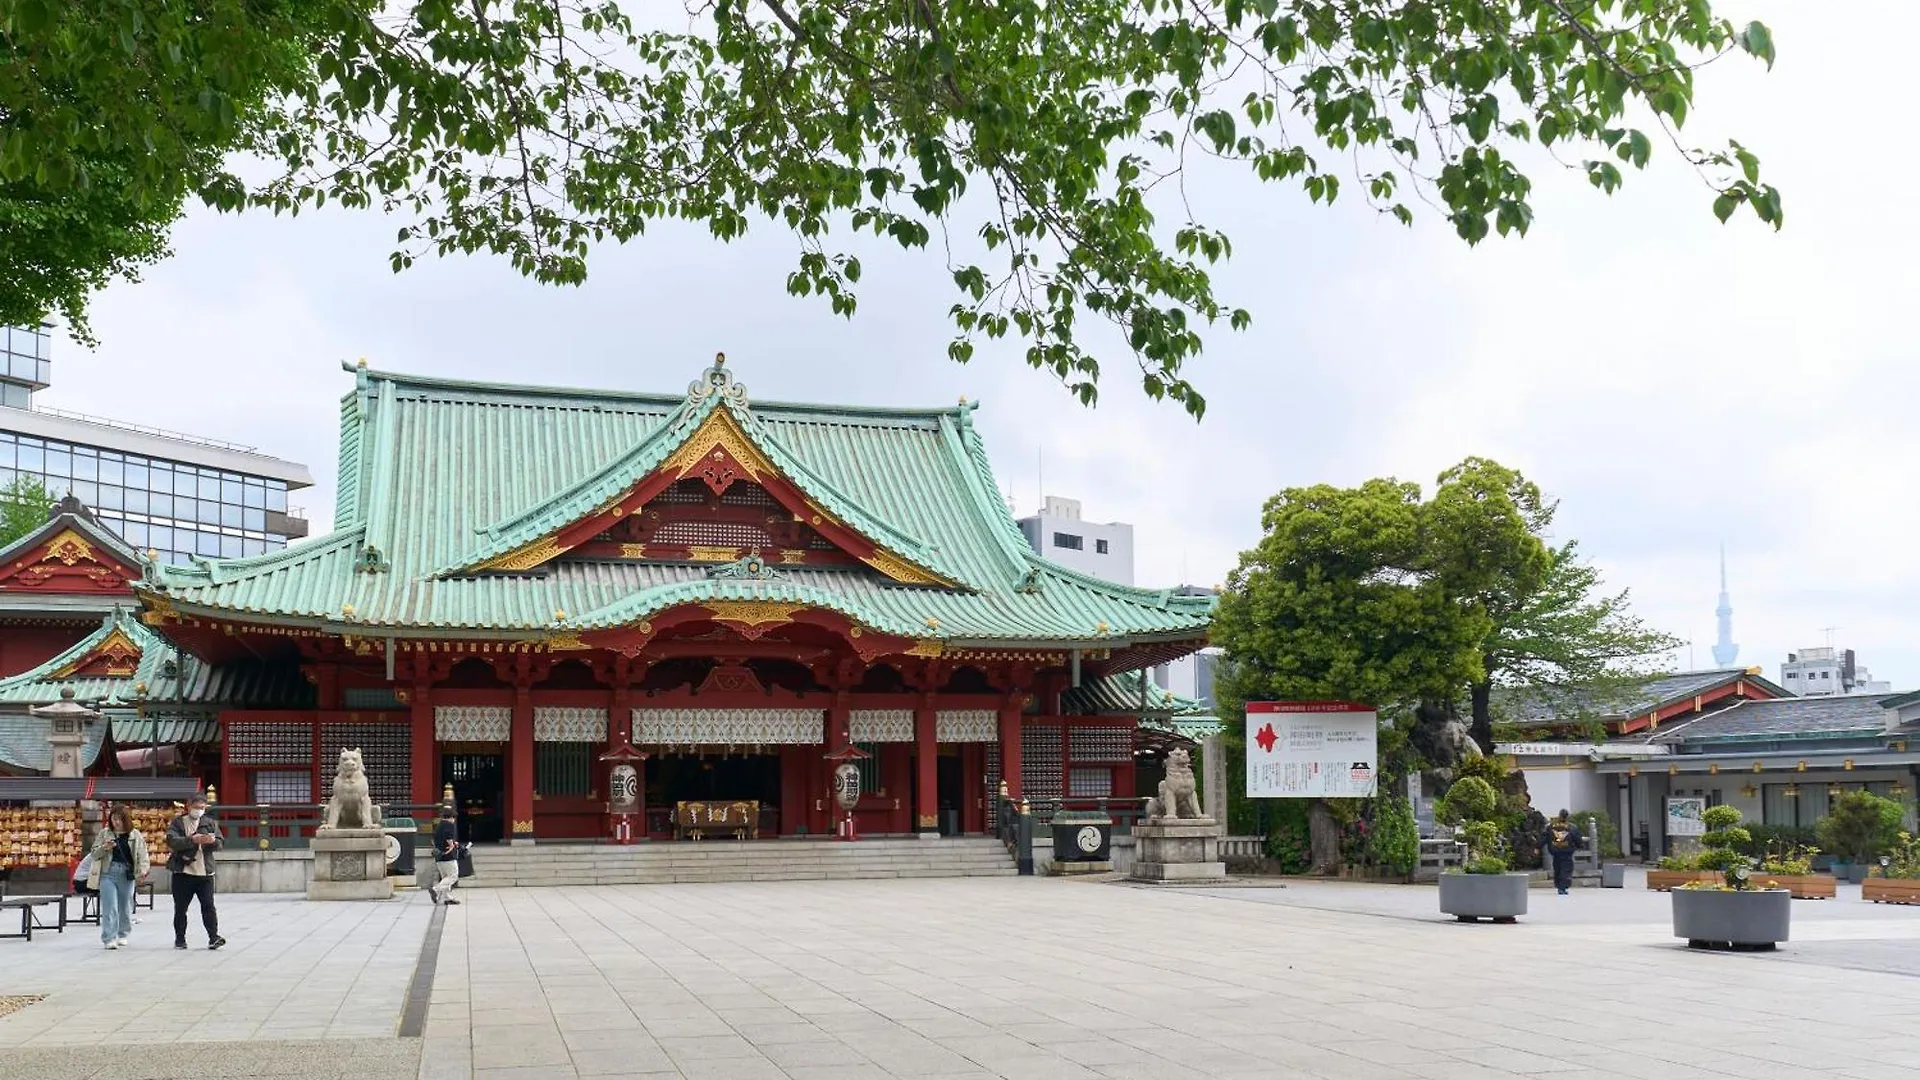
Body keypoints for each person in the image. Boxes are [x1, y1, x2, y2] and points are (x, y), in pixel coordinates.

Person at [166, 793, 226, 950]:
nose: (199, 810)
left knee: (208, 906)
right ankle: (180, 938)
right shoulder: (178, 823)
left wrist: (211, 841)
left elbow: (220, 842)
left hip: (205, 872)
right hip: (183, 872)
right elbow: (172, 841)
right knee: (180, 908)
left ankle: (213, 937)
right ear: (188, 806)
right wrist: (192, 840)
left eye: (202, 807)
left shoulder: (210, 823)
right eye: (196, 807)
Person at [88, 805, 150, 950]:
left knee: (125, 905)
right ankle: (109, 937)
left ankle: (123, 933)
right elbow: (94, 853)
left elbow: (143, 855)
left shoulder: (134, 835)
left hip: (127, 873)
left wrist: (142, 871)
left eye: (119, 819)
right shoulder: (105, 833)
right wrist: (104, 848)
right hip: (108, 872)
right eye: (113, 819)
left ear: (125, 820)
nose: (116, 822)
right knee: (109, 906)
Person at [1545, 810, 1584, 895]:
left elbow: (1545, 837)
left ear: (1559, 815)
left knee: (1557, 868)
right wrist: (1580, 845)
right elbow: (1577, 838)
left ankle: (1559, 885)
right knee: (1566, 869)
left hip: (1555, 851)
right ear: (1567, 816)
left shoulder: (1551, 826)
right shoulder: (1572, 827)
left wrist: (1538, 846)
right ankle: (1562, 887)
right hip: (1567, 851)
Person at [430, 807, 461, 906]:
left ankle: (448, 898)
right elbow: (448, 836)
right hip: (448, 855)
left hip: (439, 856)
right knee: (453, 876)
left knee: (445, 878)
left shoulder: (438, 825)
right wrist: (451, 844)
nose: (454, 820)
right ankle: (435, 889)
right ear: (451, 817)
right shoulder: (449, 824)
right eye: (454, 818)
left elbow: (435, 839)